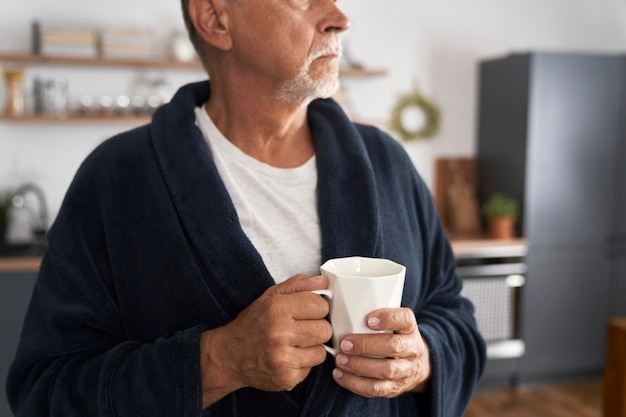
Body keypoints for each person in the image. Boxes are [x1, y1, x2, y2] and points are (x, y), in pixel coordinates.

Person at [6, 0, 486, 415]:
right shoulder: (116, 179)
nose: (340, 18)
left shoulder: (387, 163)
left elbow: (456, 319)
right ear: (216, 18)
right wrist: (219, 361)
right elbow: (45, 390)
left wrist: (422, 358)